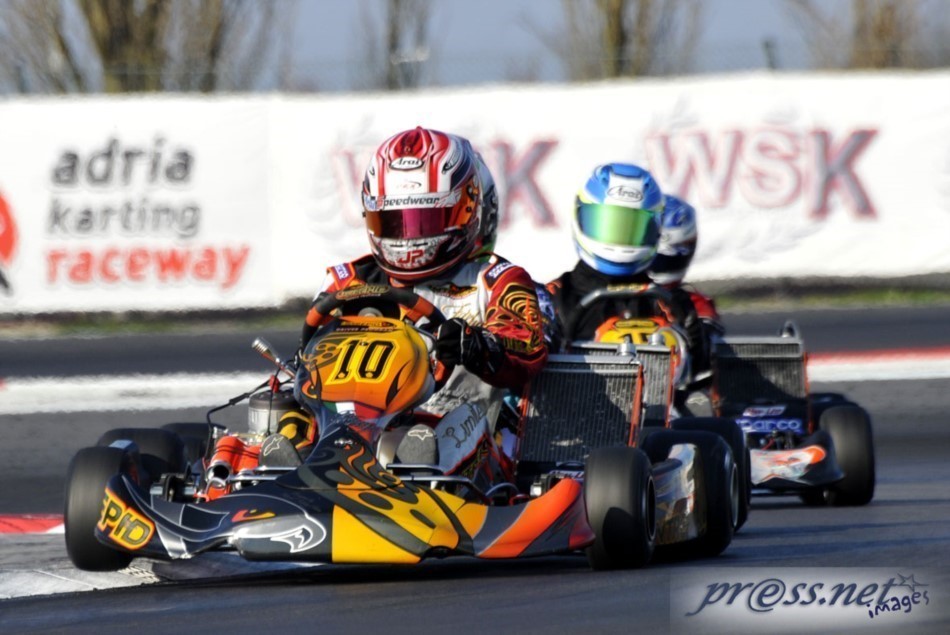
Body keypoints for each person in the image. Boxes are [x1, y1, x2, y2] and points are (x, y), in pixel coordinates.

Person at [294, 127, 547, 478]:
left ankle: (418, 474)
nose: (409, 238)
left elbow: (528, 349)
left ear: (465, 209)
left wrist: (477, 345)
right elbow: (311, 360)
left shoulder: (496, 280)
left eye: (424, 221)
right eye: (394, 222)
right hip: (359, 427)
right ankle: (279, 469)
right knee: (288, 403)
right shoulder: (346, 281)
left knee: (455, 425)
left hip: (465, 438)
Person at [546, 162, 705, 385]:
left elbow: (699, 385)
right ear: (581, 218)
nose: (619, 239)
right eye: (610, 224)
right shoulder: (554, 300)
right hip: (575, 402)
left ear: (654, 229)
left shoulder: (672, 304)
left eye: (631, 227)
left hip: (660, 404)